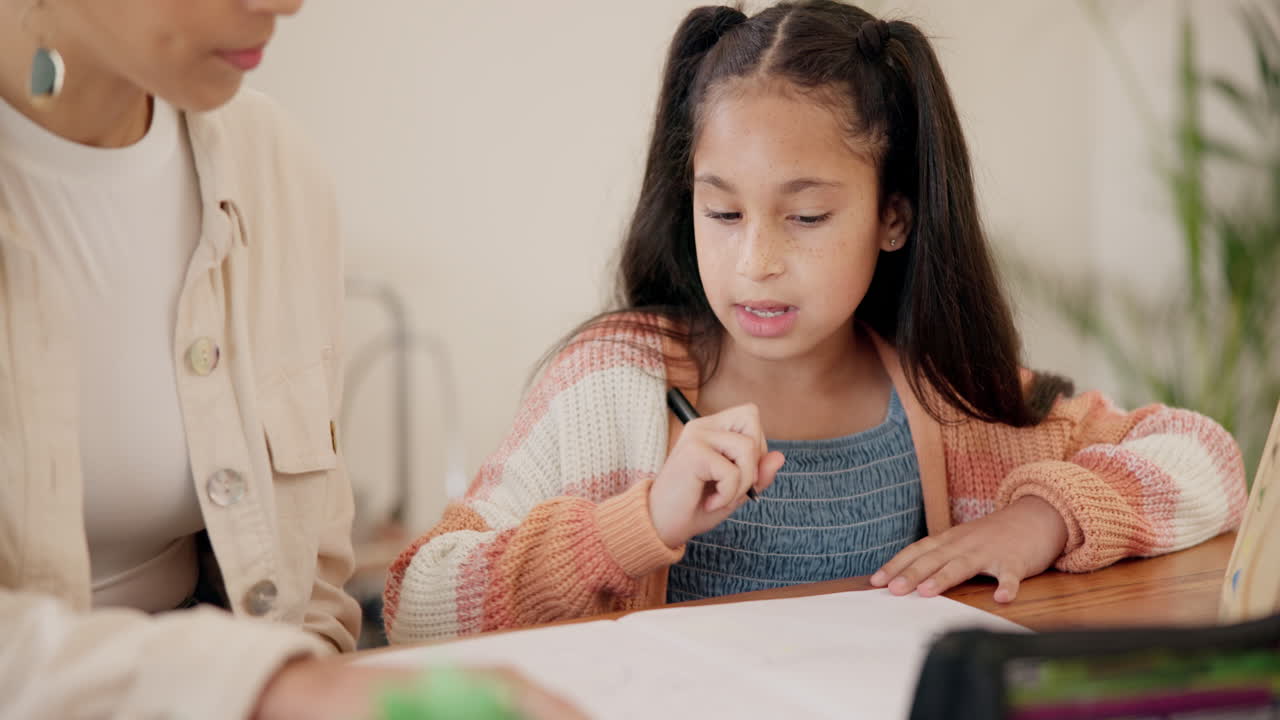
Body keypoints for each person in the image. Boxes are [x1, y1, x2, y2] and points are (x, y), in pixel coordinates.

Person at [382, 0, 1248, 644]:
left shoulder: (949, 395)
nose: (755, 259)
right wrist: (640, 519)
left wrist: (1042, 518)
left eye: (805, 217)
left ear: (894, 217)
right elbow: (420, 604)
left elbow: (1209, 459)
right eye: (722, 214)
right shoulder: (612, 384)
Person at [0, 1, 576, 717]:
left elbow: (313, 590)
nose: (285, 3)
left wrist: (319, 683)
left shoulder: (276, 166)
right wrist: (276, 689)